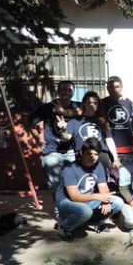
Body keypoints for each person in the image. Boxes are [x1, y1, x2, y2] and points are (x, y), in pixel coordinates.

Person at [27, 80, 81, 217]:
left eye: (69, 90)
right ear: (58, 91)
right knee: (55, 185)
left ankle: (72, 209)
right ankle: (60, 212)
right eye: (63, 89)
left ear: (73, 92)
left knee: (74, 184)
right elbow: (30, 123)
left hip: (71, 152)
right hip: (52, 152)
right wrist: (38, 139)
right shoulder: (48, 107)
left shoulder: (77, 107)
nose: (66, 93)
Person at [55, 137, 124, 240]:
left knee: (118, 202)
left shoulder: (98, 166)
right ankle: (64, 228)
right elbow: (74, 197)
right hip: (66, 202)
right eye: (89, 153)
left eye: (96, 154)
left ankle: (94, 222)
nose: (93, 157)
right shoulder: (70, 169)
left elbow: (103, 186)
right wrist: (97, 196)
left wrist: (105, 201)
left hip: (87, 200)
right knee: (85, 211)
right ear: (82, 152)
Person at [66, 91, 121, 169]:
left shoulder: (103, 122)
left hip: (101, 155)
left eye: (95, 103)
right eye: (89, 102)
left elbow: (109, 140)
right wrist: (63, 131)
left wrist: (115, 159)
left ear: (98, 105)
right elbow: (66, 138)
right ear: (84, 104)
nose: (92, 105)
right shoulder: (74, 121)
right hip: (83, 155)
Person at [99, 76, 133, 165]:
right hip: (110, 150)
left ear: (121, 87)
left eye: (117, 87)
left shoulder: (129, 103)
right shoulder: (102, 103)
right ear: (107, 88)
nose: (114, 89)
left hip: (128, 151)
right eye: (111, 87)